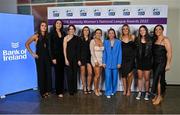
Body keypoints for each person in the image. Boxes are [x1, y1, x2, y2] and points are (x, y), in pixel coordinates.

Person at [25, 21, 52, 98]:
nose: (44, 27)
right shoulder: (36, 36)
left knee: (48, 74)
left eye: (45, 26)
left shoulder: (48, 36)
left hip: (47, 57)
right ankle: (42, 92)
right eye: (42, 25)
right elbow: (26, 44)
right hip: (40, 58)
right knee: (41, 74)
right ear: (39, 27)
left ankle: (47, 90)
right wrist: (32, 53)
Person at [151, 25, 172, 105]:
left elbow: (169, 53)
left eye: (160, 29)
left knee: (159, 80)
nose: (158, 31)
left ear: (162, 30)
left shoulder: (165, 39)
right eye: (156, 29)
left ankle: (159, 96)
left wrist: (168, 64)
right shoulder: (155, 39)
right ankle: (157, 95)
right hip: (155, 63)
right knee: (156, 80)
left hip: (162, 63)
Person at [103, 28, 122, 98]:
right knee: (108, 78)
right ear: (108, 34)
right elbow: (104, 53)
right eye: (110, 33)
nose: (111, 34)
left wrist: (119, 63)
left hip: (116, 63)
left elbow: (120, 53)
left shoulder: (118, 42)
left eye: (112, 33)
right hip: (107, 63)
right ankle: (108, 92)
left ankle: (113, 91)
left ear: (114, 34)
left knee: (114, 78)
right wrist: (104, 62)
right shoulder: (105, 42)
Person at [135, 25, 153, 101]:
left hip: (148, 62)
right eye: (141, 30)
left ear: (146, 31)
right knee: (139, 78)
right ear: (139, 32)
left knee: (147, 79)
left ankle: (146, 92)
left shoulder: (150, 40)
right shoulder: (137, 40)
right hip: (139, 62)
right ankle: (139, 92)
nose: (142, 31)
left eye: (143, 30)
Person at [49, 19, 66, 98]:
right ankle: (58, 91)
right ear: (55, 24)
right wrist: (53, 58)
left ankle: (61, 89)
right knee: (57, 74)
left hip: (63, 56)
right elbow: (50, 47)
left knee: (62, 73)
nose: (59, 24)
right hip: (55, 57)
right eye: (57, 23)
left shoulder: (63, 33)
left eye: (60, 23)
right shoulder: (51, 33)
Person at [63, 25, 80, 95]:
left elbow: (79, 50)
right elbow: (64, 50)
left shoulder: (77, 38)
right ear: (68, 30)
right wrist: (66, 59)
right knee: (69, 74)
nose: (71, 30)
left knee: (74, 74)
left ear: (74, 30)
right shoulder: (66, 38)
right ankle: (71, 90)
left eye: (73, 29)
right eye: (70, 29)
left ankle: (74, 89)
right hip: (68, 58)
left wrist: (79, 60)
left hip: (75, 59)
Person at [120, 24, 136, 96]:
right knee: (123, 75)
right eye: (124, 29)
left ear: (128, 30)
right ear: (122, 30)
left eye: (126, 29)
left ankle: (129, 89)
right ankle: (125, 89)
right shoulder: (120, 38)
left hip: (131, 58)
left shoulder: (132, 37)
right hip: (122, 58)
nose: (125, 30)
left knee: (130, 74)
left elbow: (136, 48)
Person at [78, 26, 93, 94]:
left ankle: (89, 86)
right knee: (83, 73)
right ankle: (84, 87)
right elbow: (77, 50)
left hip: (89, 58)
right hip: (82, 58)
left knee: (90, 73)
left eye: (87, 30)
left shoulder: (91, 39)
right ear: (82, 31)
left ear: (89, 32)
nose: (86, 31)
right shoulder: (80, 39)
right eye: (85, 30)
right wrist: (78, 59)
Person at [90, 29, 104, 96]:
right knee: (97, 75)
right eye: (97, 33)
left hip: (101, 60)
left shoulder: (102, 41)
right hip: (95, 60)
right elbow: (92, 52)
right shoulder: (92, 41)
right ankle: (95, 89)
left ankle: (98, 88)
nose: (98, 34)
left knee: (99, 76)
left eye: (99, 33)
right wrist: (95, 61)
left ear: (101, 34)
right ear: (95, 34)